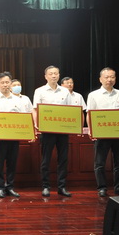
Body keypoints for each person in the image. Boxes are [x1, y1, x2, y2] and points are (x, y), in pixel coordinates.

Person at [86, 67, 119, 197]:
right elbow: (89, 114)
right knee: (100, 163)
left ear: (115, 79)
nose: (109, 79)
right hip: (101, 134)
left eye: (112, 77)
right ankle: (102, 188)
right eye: (106, 77)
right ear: (100, 79)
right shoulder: (93, 95)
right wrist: (91, 130)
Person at [0, 72, 29, 198]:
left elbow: (23, 117)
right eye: (2, 82)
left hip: (13, 136)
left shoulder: (18, 100)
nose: (5, 85)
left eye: (7, 82)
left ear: (11, 84)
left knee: (12, 163)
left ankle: (10, 187)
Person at [33, 65, 73, 197]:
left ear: (59, 75)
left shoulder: (65, 91)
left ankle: (62, 187)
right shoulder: (39, 91)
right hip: (47, 131)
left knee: (63, 159)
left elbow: (70, 110)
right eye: (51, 74)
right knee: (46, 160)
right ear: (46, 76)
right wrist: (37, 125)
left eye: (56, 73)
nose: (54, 76)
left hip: (62, 131)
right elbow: (35, 110)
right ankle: (46, 186)